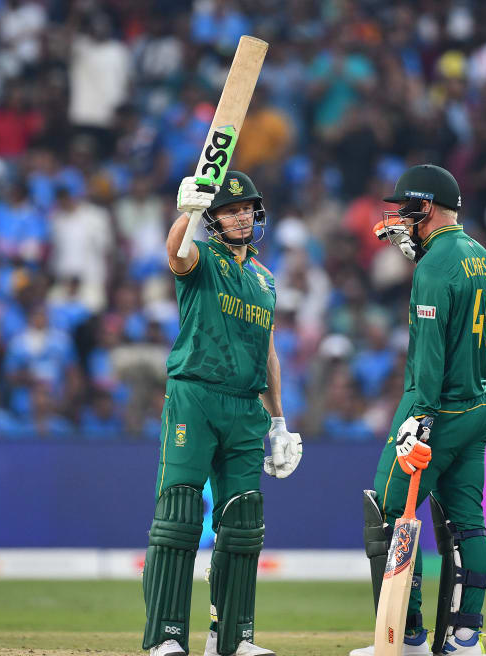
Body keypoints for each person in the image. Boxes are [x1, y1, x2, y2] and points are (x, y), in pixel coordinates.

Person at [142, 171, 302, 656]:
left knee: (242, 521)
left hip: (246, 406)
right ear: (214, 219)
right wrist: (185, 213)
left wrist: (278, 420)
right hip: (195, 393)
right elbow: (175, 254)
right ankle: (166, 638)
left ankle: (232, 639)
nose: (241, 216)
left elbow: (269, 352)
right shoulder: (203, 256)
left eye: (247, 208)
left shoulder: (265, 279)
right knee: (180, 514)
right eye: (231, 210)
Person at [355, 165, 486, 656]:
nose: (400, 220)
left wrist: (422, 420)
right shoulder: (478, 254)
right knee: (468, 524)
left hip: (437, 408)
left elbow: (432, 353)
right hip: (478, 405)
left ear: (427, 208)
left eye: (407, 209)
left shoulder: (434, 266)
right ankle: (464, 639)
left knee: (391, 515)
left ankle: (406, 637)